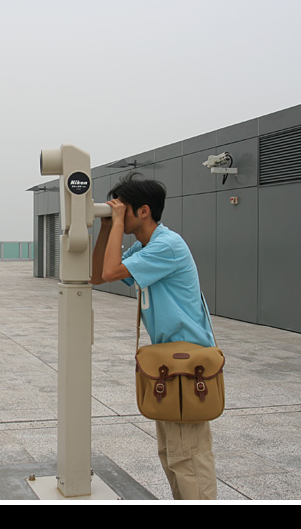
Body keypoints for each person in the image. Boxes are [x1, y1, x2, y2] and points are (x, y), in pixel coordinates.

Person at [90, 172, 218, 500]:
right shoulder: (143, 247)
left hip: (188, 364)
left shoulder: (167, 246)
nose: (118, 212)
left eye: (123, 208)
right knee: (171, 453)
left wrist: (115, 223)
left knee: (188, 455)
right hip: (171, 360)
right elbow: (96, 276)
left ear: (143, 211)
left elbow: (109, 272)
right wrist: (107, 227)